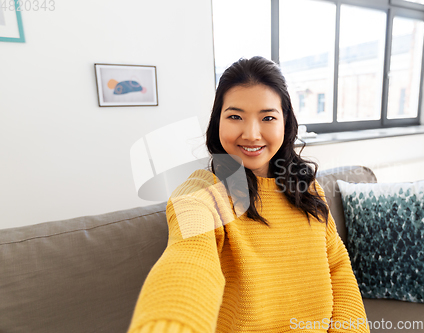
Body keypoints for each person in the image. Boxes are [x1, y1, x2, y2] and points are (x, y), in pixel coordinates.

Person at [126, 56, 370, 333]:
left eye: (267, 117)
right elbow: (188, 260)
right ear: (217, 121)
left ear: (285, 122)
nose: (252, 134)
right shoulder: (201, 194)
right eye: (235, 116)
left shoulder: (307, 186)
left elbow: (337, 264)